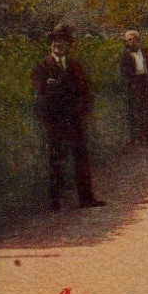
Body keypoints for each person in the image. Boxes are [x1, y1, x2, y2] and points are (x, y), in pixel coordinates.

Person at [31, 25, 106, 212]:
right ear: (51, 44)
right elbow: (39, 96)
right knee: (56, 158)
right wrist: (48, 119)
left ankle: (86, 198)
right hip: (55, 122)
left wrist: (81, 112)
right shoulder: (42, 67)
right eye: (55, 41)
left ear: (69, 45)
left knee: (81, 157)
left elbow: (86, 93)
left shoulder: (76, 67)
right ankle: (54, 202)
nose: (59, 44)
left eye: (63, 41)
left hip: (75, 120)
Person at [119, 30, 148, 144]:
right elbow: (124, 72)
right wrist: (131, 83)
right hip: (134, 83)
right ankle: (140, 137)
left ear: (138, 40)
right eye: (129, 40)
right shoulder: (125, 55)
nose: (132, 42)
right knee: (137, 109)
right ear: (126, 42)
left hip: (145, 81)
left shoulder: (144, 52)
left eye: (134, 39)